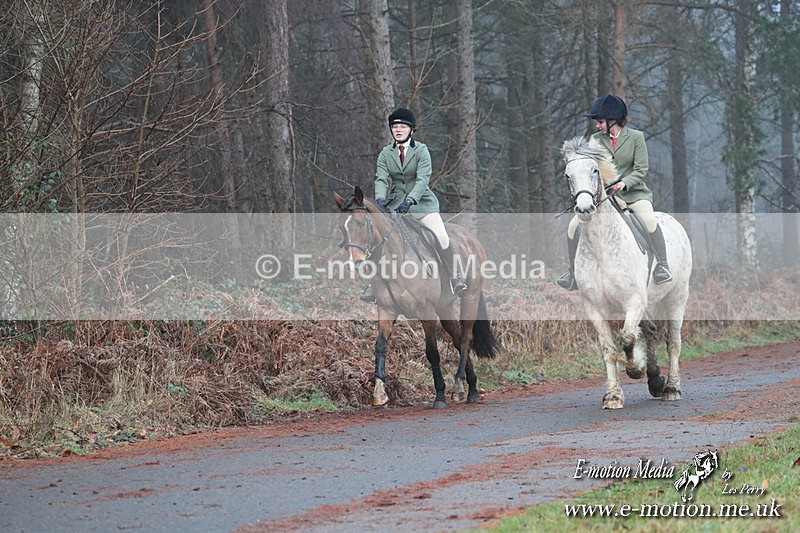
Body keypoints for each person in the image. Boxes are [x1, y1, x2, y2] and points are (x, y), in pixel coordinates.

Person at [556, 94, 673, 291]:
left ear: (613, 121)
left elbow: (641, 169)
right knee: (572, 226)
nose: (597, 126)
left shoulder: (636, 137)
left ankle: (663, 265)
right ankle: (573, 272)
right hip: (606, 198)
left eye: (600, 122)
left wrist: (624, 183)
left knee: (650, 220)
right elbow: (591, 169)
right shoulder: (595, 140)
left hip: (634, 194)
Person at [361, 107, 467, 302]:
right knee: (379, 238)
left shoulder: (422, 151)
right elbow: (382, 179)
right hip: (394, 205)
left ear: (411, 129)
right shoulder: (385, 154)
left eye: (402, 126)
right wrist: (381, 200)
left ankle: (455, 277)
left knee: (442, 237)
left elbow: (422, 179)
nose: (398, 130)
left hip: (422, 204)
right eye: (394, 127)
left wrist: (410, 200)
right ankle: (377, 287)